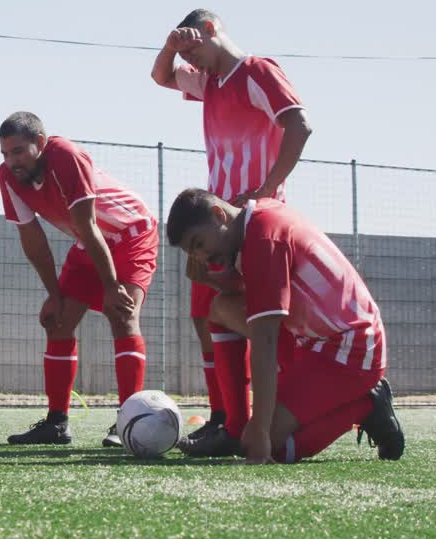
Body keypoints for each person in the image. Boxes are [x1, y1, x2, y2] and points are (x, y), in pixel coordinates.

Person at [150, 9, 313, 456]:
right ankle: (229, 420)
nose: (191, 63)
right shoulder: (211, 83)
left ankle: (296, 404)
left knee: (259, 321)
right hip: (218, 224)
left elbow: (299, 125)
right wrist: (172, 47)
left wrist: (263, 193)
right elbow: (161, 77)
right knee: (209, 309)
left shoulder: (256, 71)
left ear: (211, 31)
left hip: (254, 223)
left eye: (193, 50)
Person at [165, 188, 404, 463]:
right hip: (315, 340)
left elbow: (264, 338)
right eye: (192, 252)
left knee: (268, 446)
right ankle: (234, 426)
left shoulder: (264, 237)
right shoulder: (258, 217)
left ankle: (368, 404)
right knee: (221, 308)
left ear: (219, 214)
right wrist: (211, 279)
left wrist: (261, 430)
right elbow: (253, 287)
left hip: (352, 350)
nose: (200, 256)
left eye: (198, 243)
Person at [0, 112, 158, 447]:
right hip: (90, 242)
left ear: (40, 143)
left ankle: (127, 422)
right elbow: (33, 241)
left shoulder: (66, 156)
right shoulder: (10, 177)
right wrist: (53, 294)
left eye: (18, 151)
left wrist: (112, 287)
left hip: (131, 233)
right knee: (58, 322)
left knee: (123, 316)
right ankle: (56, 425)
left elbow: (88, 224)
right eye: (5, 154)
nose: (11, 161)